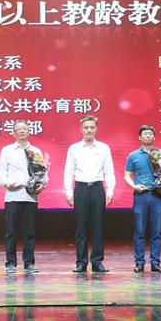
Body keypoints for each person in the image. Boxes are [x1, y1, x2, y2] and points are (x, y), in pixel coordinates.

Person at [64, 115, 116, 273]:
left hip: (97, 189)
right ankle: (81, 262)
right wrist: (68, 190)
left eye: (92, 127)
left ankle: (97, 262)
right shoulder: (74, 148)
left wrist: (110, 189)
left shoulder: (104, 148)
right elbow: (68, 171)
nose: (89, 130)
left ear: (96, 129)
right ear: (81, 129)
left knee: (98, 227)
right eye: (86, 127)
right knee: (81, 227)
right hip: (81, 188)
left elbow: (109, 170)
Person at [0, 120, 47, 274]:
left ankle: (29, 263)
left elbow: (43, 172)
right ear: (14, 133)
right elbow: (1, 171)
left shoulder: (36, 151)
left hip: (30, 196)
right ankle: (10, 263)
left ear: (29, 131)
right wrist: (6, 183)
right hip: (12, 196)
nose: (22, 131)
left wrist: (42, 185)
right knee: (11, 231)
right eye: (19, 129)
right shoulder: (7, 150)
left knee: (29, 232)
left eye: (25, 128)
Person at [124, 125, 161, 274]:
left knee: (156, 231)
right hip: (140, 196)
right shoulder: (133, 155)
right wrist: (134, 186)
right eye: (145, 134)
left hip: (157, 196)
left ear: (154, 137)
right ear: (140, 137)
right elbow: (127, 175)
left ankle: (155, 263)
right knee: (139, 231)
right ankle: (139, 262)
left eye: (150, 134)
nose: (148, 136)